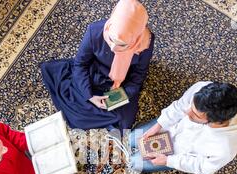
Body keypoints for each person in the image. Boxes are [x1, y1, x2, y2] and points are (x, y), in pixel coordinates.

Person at [41, 0, 155, 131]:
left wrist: (118, 96)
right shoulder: (94, 31)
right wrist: (89, 96)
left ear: (135, 37)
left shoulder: (145, 43)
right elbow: (80, 64)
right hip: (95, 75)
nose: (113, 47)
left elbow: (138, 77)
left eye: (122, 44)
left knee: (123, 123)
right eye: (111, 39)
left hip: (122, 82)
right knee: (79, 114)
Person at [129, 81, 237, 174]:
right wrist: (159, 125)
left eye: (195, 114)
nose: (187, 113)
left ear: (217, 122)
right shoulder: (202, 88)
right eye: (191, 107)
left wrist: (168, 161)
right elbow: (178, 108)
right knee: (129, 138)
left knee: (133, 162)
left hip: (177, 154)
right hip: (171, 126)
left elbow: (204, 167)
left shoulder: (226, 147)